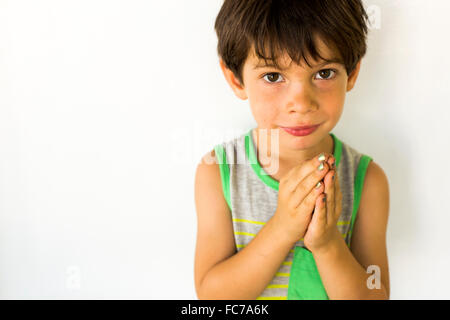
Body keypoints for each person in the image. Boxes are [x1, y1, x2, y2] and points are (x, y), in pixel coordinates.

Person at [194, 0, 390, 300]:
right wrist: (283, 228)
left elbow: (375, 296)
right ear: (236, 79)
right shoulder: (218, 172)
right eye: (273, 77)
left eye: (324, 73)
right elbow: (212, 297)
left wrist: (327, 243)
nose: (300, 103)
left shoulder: (368, 181)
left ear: (351, 73)